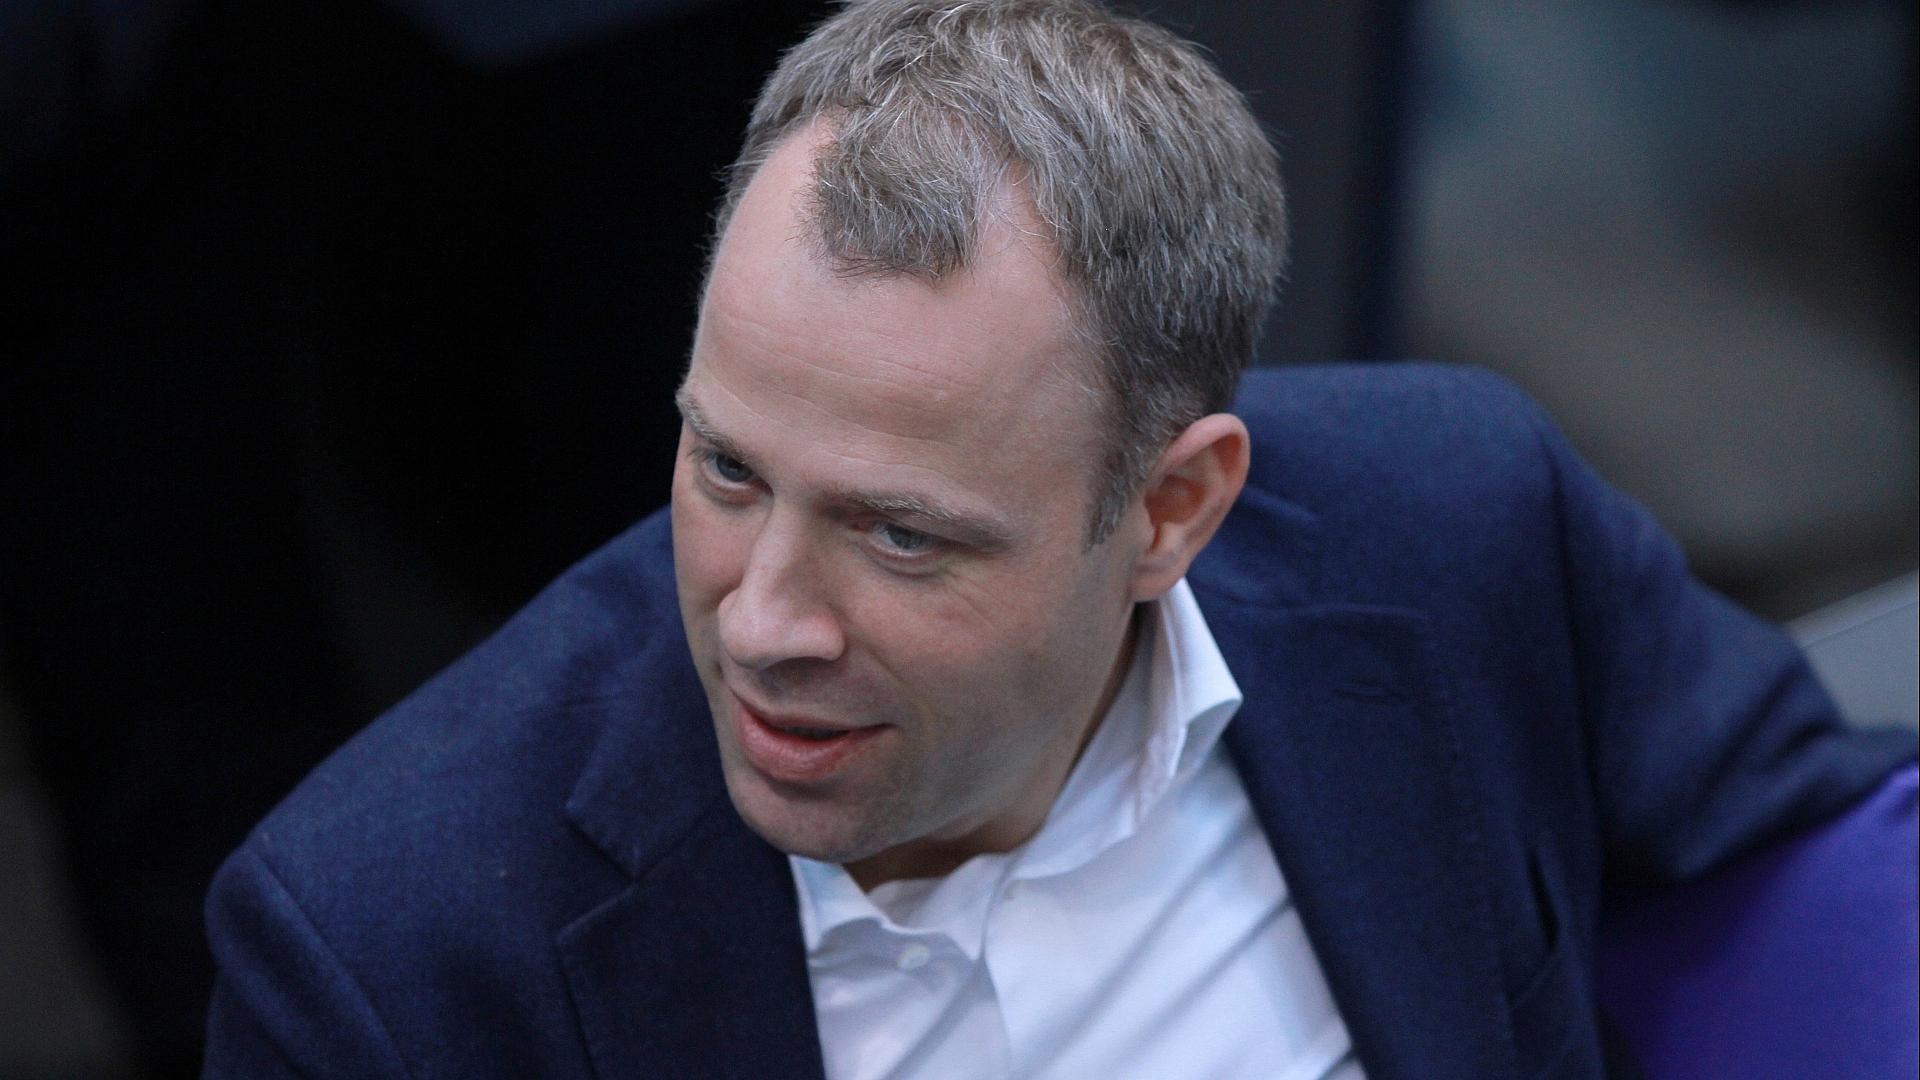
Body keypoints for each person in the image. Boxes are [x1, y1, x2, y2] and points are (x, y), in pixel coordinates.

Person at [201, 2, 1915, 1077]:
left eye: (901, 536)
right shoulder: (392, 957)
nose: (763, 620)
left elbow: (1816, 852)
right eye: (726, 468)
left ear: (1172, 510)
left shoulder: (1450, 523)